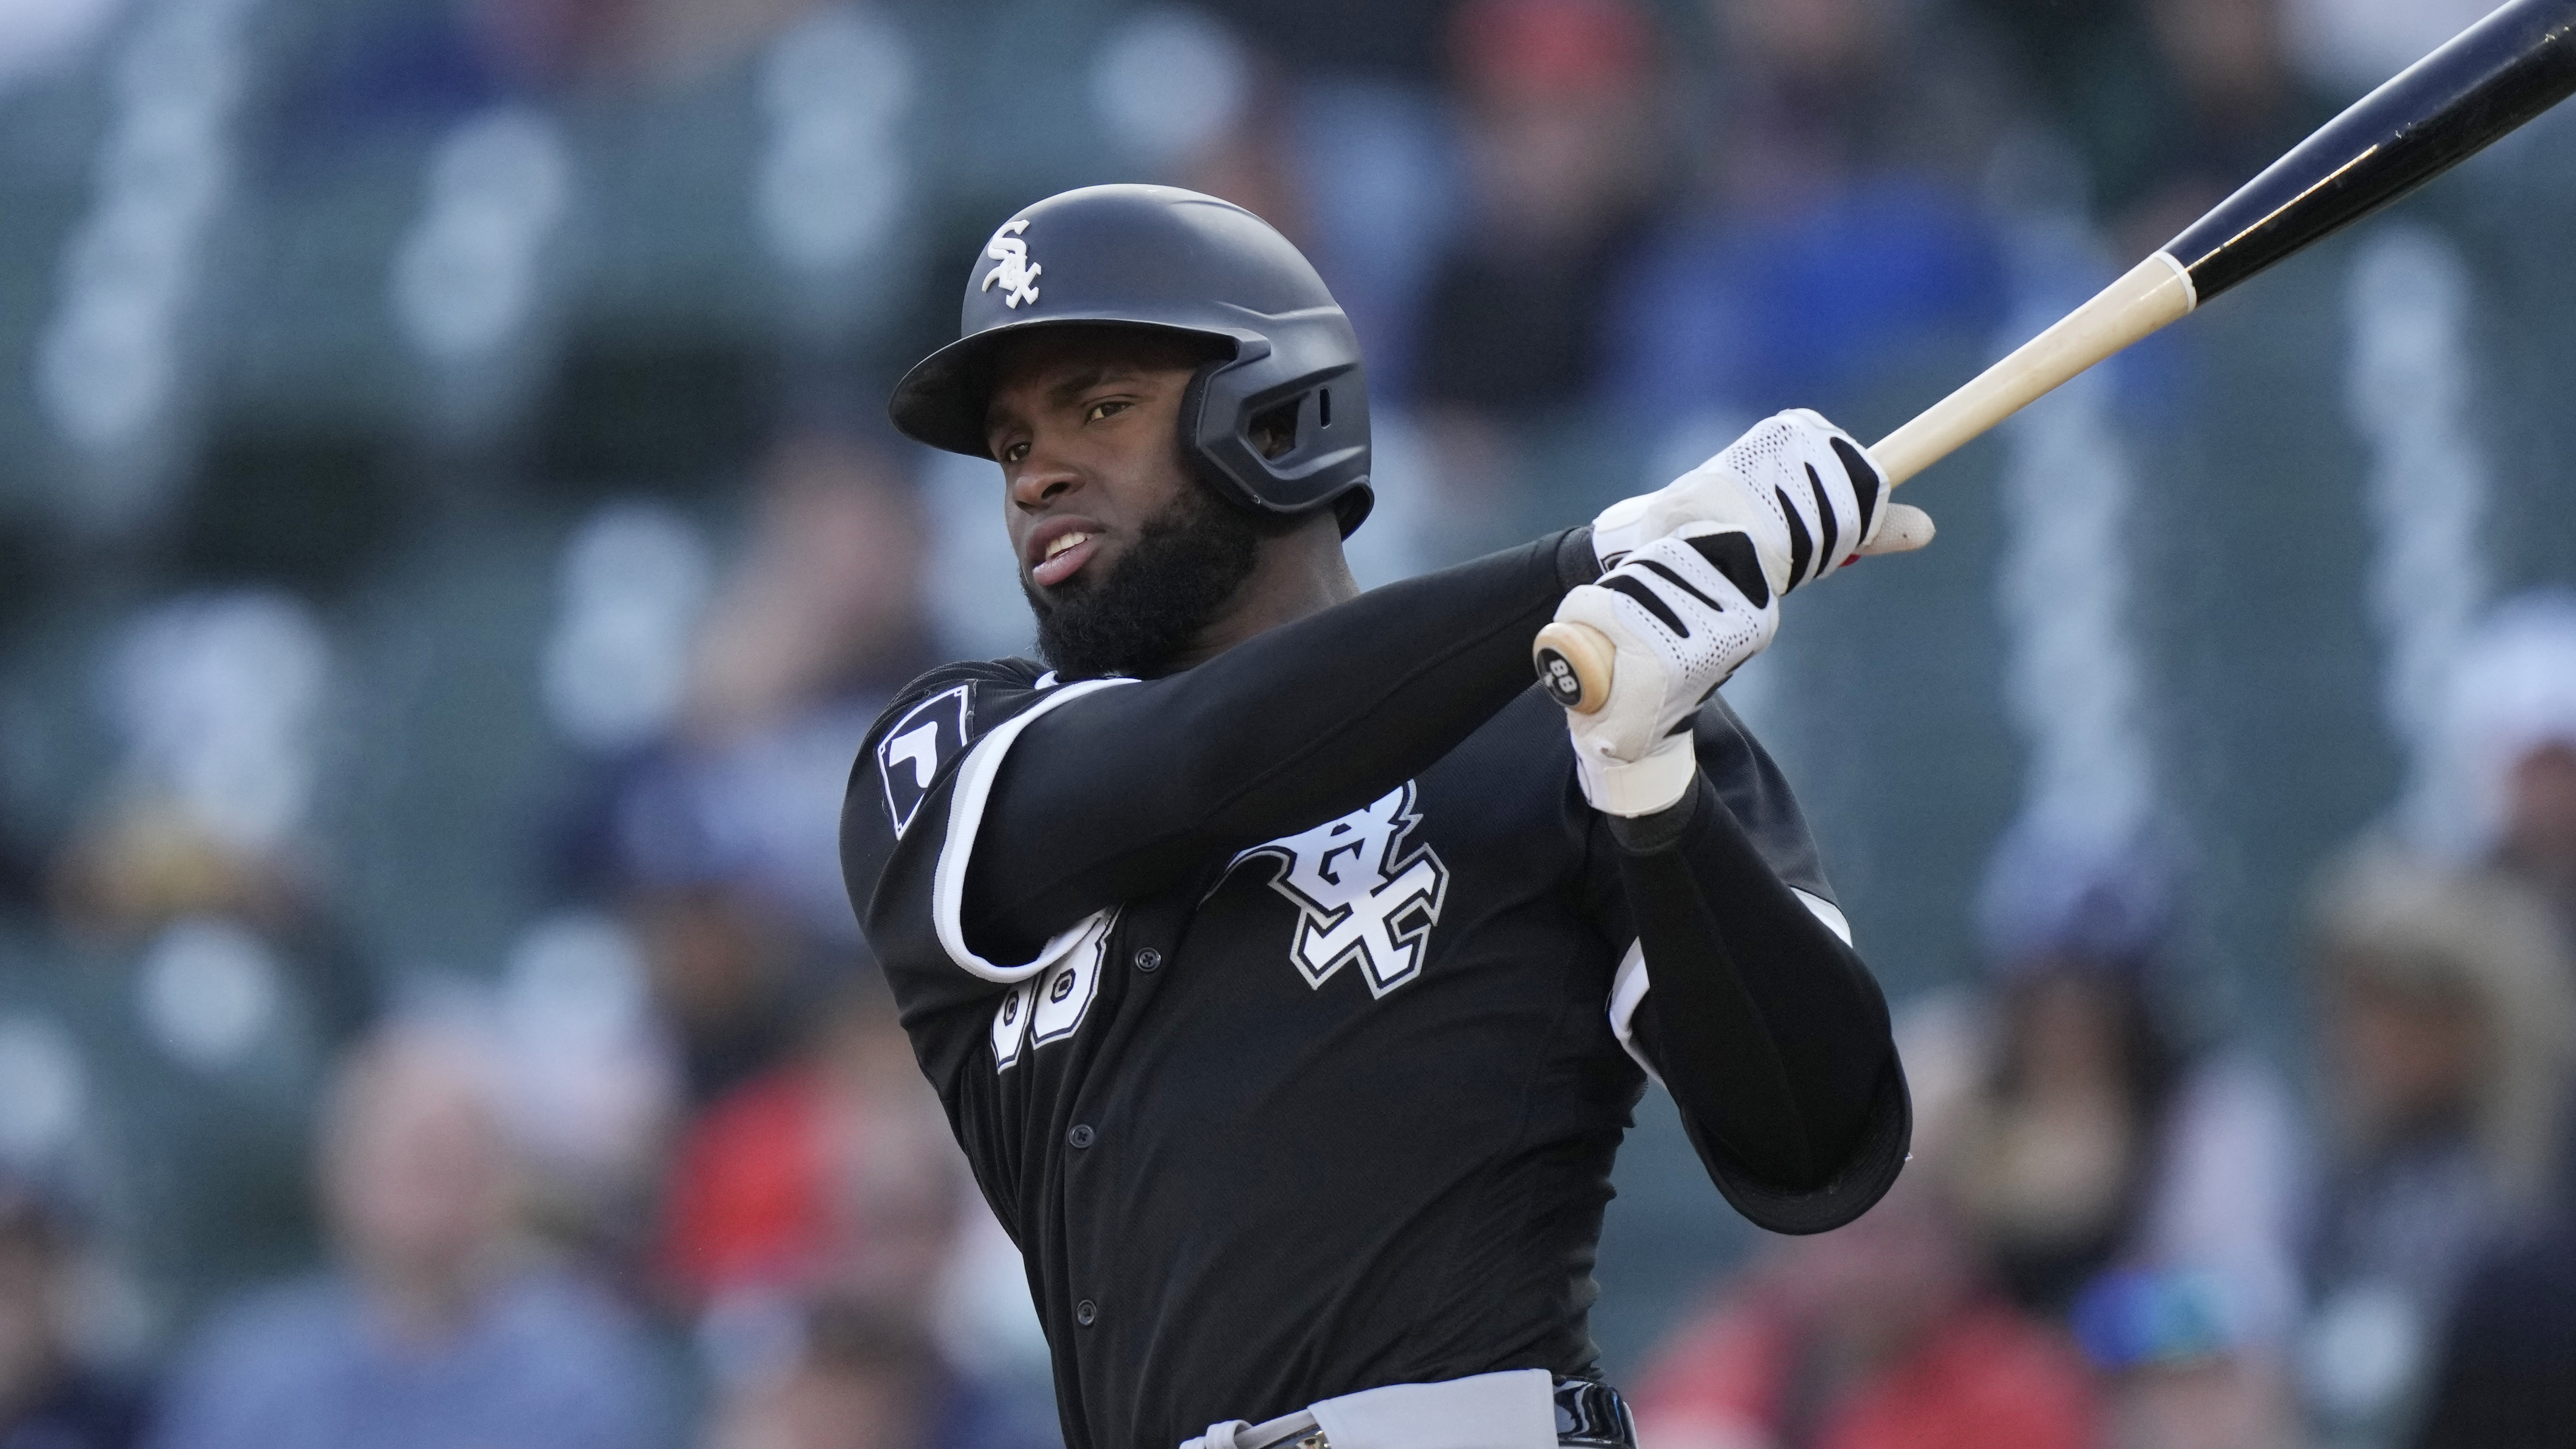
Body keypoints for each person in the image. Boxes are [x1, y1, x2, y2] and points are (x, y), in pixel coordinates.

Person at [840, 184, 1922, 1449]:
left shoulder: (1572, 712)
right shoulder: (954, 753)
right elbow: (1197, 763)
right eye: (1014, 445)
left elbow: (1816, 1145)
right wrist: (1582, 564)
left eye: (1100, 406)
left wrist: (1655, 797)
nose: (1038, 477)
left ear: (1278, 413)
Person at [147, 1023, 666, 1449]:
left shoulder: (581, 1373)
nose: (431, 1192)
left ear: (505, 1184)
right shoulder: (249, 1375)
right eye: (407, 1160)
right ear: (336, 1175)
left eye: (454, 1160)